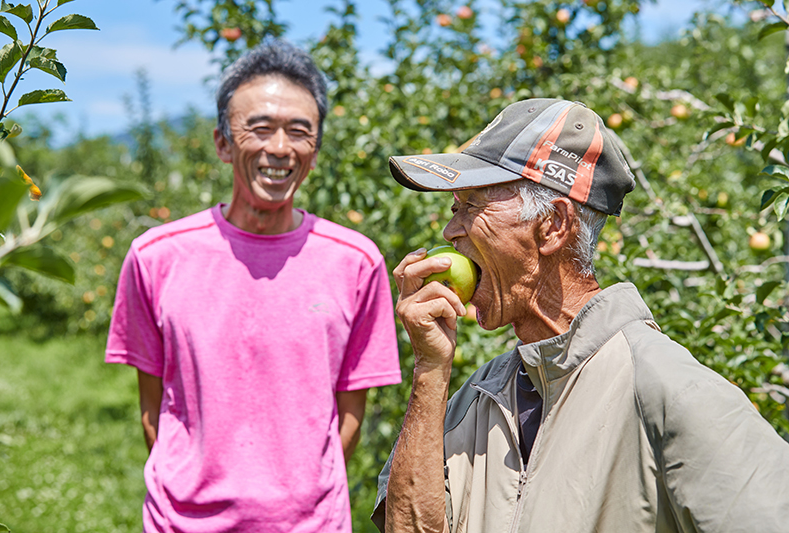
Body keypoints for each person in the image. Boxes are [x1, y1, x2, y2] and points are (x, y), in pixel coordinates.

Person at [372, 98, 789, 533]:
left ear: (552, 224)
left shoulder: (666, 388)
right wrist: (431, 369)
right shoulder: (475, 399)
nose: (449, 231)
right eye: (454, 209)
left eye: (471, 206)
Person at [105, 40, 401, 533]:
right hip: (181, 522)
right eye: (259, 129)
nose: (279, 149)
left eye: (299, 132)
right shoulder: (156, 257)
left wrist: (302, 494)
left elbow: (350, 408)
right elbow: (154, 406)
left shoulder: (356, 262)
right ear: (223, 143)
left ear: (316, 149)